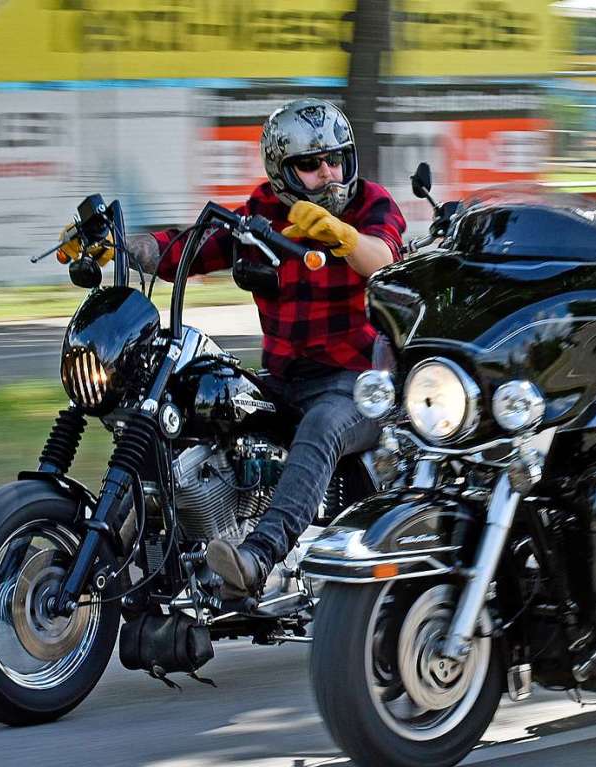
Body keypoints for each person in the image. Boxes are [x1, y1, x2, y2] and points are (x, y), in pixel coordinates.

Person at [121, 98, 405, 599]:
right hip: (283, 378)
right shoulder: (263, 211)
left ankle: (257, 556)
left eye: (336, 159)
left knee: (321, 425)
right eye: (311, 165)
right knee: (192, 394)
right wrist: (127, 246)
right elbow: (198, 244)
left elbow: (382, 257)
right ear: (281, 170)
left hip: (359, 386)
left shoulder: (370, 203)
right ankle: (140, 542)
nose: (329, 173)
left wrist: (342, 237)